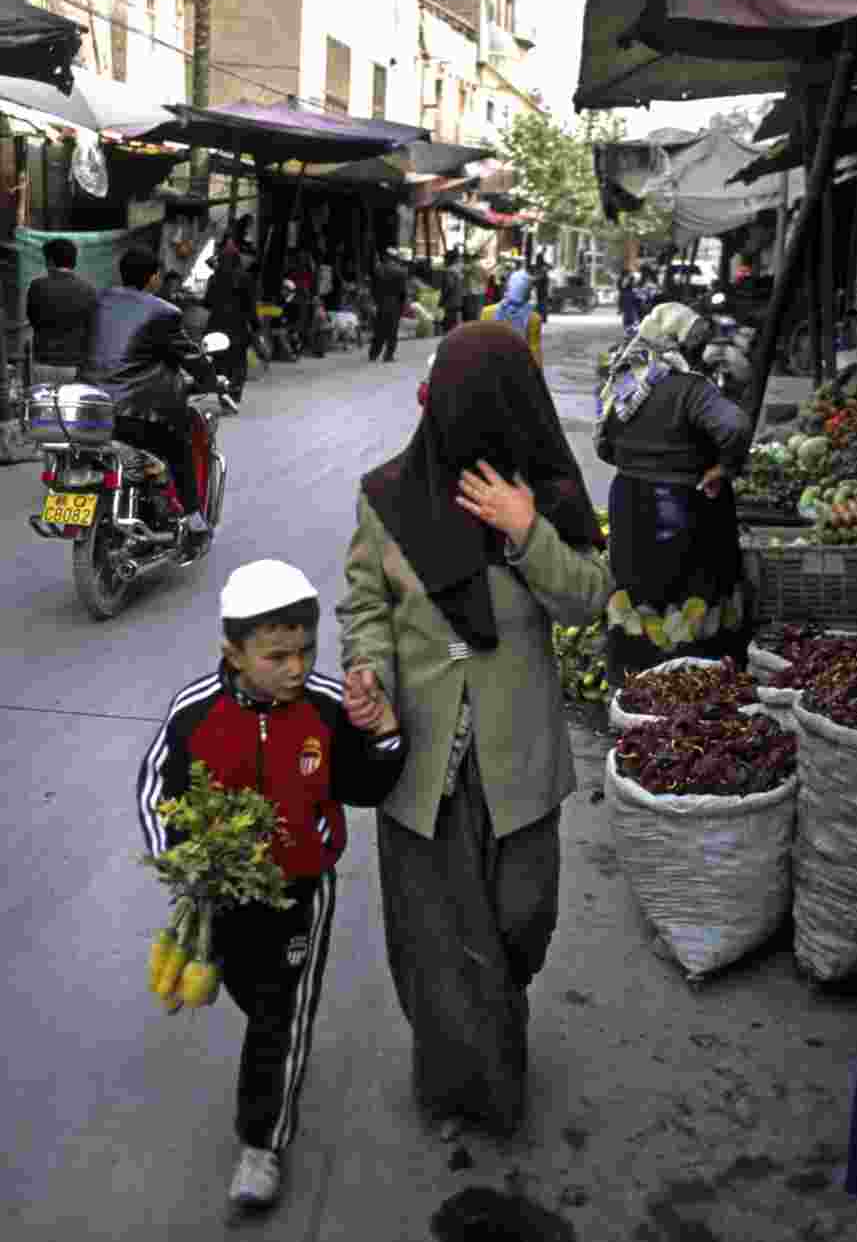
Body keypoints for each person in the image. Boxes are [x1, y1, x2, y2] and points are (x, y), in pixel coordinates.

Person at [339, 322, 610, 1137]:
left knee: (524, 916)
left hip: (518, 753)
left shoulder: (551, 495)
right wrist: (368, 674)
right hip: (422, 757)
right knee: (434, 937)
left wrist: (525, 530)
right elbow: (364, 607)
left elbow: (588, 599)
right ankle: (465, 1089)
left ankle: (488, 1015)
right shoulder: (389, 492)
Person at [137, 560, 407, 1211]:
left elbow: (363, 788)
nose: (295, 668)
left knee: (277, 1017)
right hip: (223, 896)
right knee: (244, 992)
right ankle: (258, 1033)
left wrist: (386, 736)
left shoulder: (325, 706)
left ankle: (261, 1143)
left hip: (299, 893)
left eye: (305, 651)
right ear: (233, 651)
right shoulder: (195, 712)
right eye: (276, 655)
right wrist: (181, 862)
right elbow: (155, 790)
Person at [595, 302, 752, 687]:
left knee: (637, 585)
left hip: (632, 501)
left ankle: (635, 679)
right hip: (685, 504)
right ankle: (695, 680)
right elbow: (735, 426)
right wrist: (723, 467)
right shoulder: (691, 389)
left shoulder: (625, 382)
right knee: (694, 586)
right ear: (684, 344)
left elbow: (605, 447)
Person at [80, 246, 223, 548]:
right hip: (133, 413)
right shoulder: (163, 312)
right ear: (154, 277)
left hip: (90, 408)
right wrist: (213, 385)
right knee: (178, 447)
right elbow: (191, 357)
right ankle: (194, 518)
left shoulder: (99, 301)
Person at [26, 237, 97, 384]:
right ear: (74, 261)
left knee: (43, 405)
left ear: (50, 261)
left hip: (43, 362)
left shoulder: (37, 286)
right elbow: (92, 327)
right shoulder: (88, 289)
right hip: (75, 365)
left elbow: (33, 319)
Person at [204, 240, 259, 405]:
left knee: (219, 363)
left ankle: (223, 394)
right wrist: (256, 326)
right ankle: (234, 394)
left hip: (216, 326)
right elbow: (250, 305)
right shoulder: (245, 278)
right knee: (238, 362)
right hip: (238, 328)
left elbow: (207, 302)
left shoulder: (214, 278)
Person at [482, 267, 543, 368]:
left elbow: (483, 346)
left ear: (508, 287)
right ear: (527, 292)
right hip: (519, 369)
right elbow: (534, 352)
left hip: (491, 367)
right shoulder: (533, 318)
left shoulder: (487, 312)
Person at [368, 247, 408, 363]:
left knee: (379, 330)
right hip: (394, 304)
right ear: (395, 258)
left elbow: (373, 288)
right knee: (392, 331)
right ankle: (388, 355)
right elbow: (403, 292)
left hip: (381, 303)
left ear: (386, 257)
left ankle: (373, 354)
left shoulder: (378, 269)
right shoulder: (401, 271)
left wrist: (375, 301)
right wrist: (402, 306)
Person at [439, 250, 463, 334]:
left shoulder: (449, 271)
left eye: (445, 259)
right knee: (455, 323)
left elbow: (448, 286)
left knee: (449, 325)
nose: (444, 261)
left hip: (450, 302)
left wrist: (441, 301)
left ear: (449, 260)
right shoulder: (458, 271)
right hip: (457, 301)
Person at [618, 269, 641, 335]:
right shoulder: (625, 280)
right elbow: (622, 287)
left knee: (630, 317)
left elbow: (633, 286)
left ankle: (630, 331)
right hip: (628, 299)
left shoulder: (629, 279)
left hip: (629, 299)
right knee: (629, 317)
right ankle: (629, 331)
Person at [533, 252, 550, 325]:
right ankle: (542, 318)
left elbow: (540, 278)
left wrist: (534, 280)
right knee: (541, 303)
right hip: (542, 289)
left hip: (542, 289)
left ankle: (542, 318)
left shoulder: (541, 268)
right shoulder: (542, 268)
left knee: (542, 304)